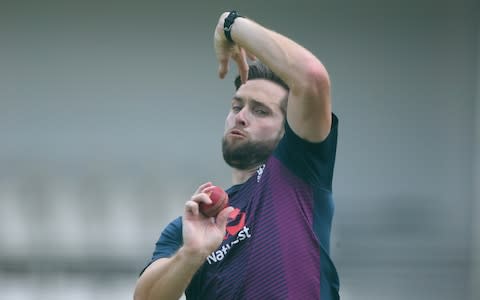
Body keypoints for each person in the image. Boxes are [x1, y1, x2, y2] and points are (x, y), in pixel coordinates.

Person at [134, 10, 340, 300]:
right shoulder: (189, 226)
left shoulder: (298, 170)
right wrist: (192, 255)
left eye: (260, 110)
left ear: (289, 130)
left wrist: (229, 25)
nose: (241, 117)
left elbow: (312, 76)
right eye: (236, 106)